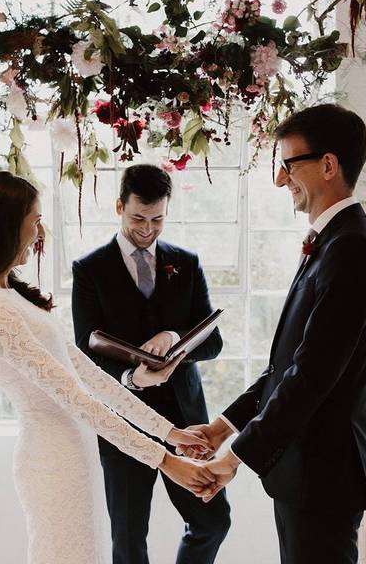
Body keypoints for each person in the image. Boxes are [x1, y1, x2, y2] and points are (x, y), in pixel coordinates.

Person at [0, 170, 215, 564]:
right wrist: (164, 458)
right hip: (52, 458)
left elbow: (91, 377)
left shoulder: (4, 293)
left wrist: (171, 434)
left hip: (71, 453)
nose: (40, 233)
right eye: (35, 221)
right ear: (7, 225)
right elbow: (77, 398)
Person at [194, 104, 366, 564]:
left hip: (323, 476)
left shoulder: (352, 250)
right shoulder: (335, 242)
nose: (281, 180)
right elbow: (286, 367)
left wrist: (233, 459)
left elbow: (310, 377)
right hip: (304, 474)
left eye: (288, 165)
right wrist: (221, 428)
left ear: (328, 165)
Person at [71, 164, 231, 564]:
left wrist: (175, 339)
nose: (147, 229)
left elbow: (212, 342)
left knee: (213, 521)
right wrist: (131, 377)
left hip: (186, 417)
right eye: (138, 218)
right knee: (128, 539)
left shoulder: (186, 263)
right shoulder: (89, 270)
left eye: (157, 219)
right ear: (119, 207)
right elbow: (84, 353)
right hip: (124, 422)